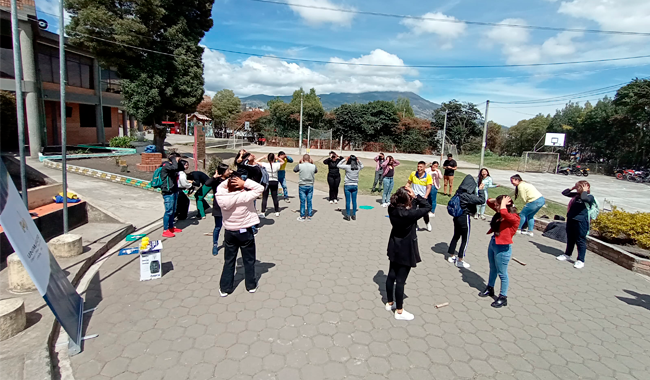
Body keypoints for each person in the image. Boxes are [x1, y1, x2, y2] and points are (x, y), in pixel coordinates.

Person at [385, 187, 431, 321]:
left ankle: (390, 303)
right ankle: (399, 311)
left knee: (391, 275)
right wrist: (416, 196)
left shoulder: (391, 209)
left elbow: (407, 206)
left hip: (394, 245)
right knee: (400, 281)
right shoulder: (410, 214)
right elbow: (427, 206)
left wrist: (409, 197)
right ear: (407, 200)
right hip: (406, 249)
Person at [216, 172, 264, 296]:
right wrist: (244, 182)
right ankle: (251, 285)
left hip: (230, 232)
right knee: (249, 260)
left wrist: (229, 181)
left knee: (229, 260)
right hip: (244, 231)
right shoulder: (245, 196)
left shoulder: (221, 195)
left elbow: (220, 187)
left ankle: (225, 288)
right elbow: (260, 188)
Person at [480, 195, 520, 308]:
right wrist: (499, 200)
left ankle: (503, 297)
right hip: (493, 242)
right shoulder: (500, 211)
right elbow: (488, 202)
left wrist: (502, 204)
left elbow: (504, 213)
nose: (496, 207)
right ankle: (490, 288)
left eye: (498, 205)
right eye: (497, 205)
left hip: (503, 248)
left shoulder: (514, 217)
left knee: (502, 273)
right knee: (492, 268)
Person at [447, 175, 486, 268]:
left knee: (456, 236)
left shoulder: (458, 193)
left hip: (456, 217)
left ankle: (451, 255)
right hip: (464, 217)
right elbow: (481, 200)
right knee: (465, 239)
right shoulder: (468, 196)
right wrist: (481, 190)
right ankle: (460, 259)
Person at [556, 181, 595, 269]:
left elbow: (585, 198)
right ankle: (567, 254)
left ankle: (580, 260)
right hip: (571, 219)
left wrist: (584, 191)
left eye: (580, 187)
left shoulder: (589, 197)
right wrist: (573, 188)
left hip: (581, 222)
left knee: (580, 240)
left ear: (587, 188)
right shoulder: (576, 195)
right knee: (570, 238)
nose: (579, 188)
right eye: (578, 187)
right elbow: (565, 193)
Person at [205, 163, 231, 256]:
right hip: (218, 207)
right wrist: (214, 176)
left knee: (228, 226)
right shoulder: (216, 180)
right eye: (227, 170)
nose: (229, 171)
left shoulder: (230, 179)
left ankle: (228, 242)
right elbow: (207, 184)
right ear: (223, 172)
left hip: (228, 206)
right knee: (218, 227)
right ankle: (215, 245)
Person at [160, 153, 183, 238]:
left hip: (174, 190)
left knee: (173, 210)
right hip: (168, 191)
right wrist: (174, 159)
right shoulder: (166, 165)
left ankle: (171, 227)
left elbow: (181, 168)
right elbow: (175, 167)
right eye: (178, 159)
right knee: (168, 211)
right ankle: (165, 230)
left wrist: (178, 161)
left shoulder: (174, 165)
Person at [406, 161, 433, 231]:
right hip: (413, 196)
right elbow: (408, 183)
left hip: (422, 196)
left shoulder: (428, 177)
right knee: (413, 211)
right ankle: (415, 225)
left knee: (424, 212)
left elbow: (429, 188)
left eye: (421, 167)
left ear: (424, 168)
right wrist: (406, 190)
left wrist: (425, 196)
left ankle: (427, 223)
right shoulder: (413, 174)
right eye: (418, 166)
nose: (419, 168)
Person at [337, 155, 364, 221]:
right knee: (354, 201)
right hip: (355, 185)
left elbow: (338, 165)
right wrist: (358, 160)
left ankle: (348, 215)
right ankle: (354, 214)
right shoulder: (358, 167)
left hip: (347, 185)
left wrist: (344, 159)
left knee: (348, 201)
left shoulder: (347, 167)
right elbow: (362, 166)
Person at [293, 154, 318, 221]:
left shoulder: (300, 166)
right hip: (310, 184)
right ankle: (309, 215)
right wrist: (312, 163)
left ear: (303, 159)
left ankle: (302, 215)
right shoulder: (313, 166)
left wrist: (300, 163)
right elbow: (316, 171)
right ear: (309, 159)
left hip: (302, 184)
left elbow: (294, 170)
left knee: (302, 201)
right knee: (309, 200)